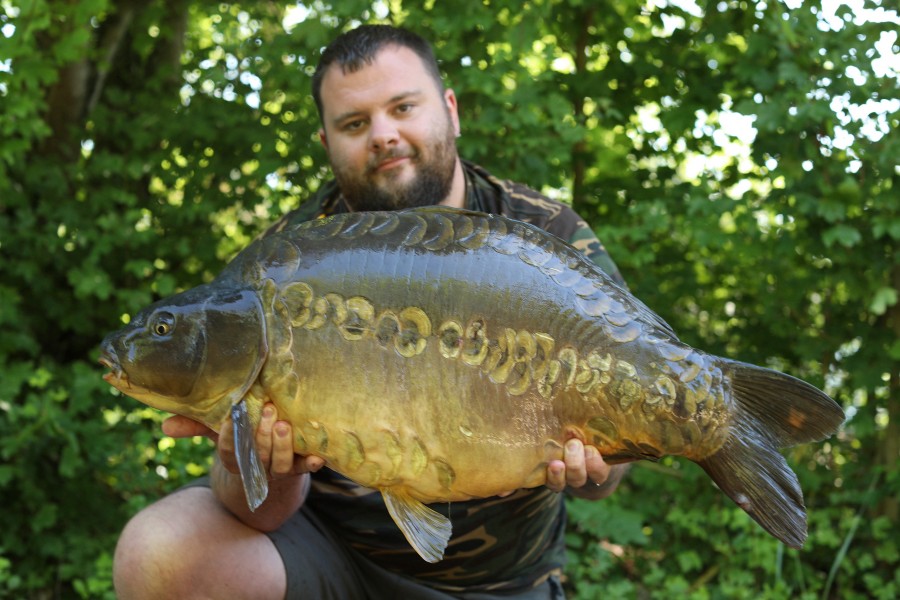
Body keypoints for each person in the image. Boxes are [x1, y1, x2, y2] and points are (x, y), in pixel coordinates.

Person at [113, 24, 630, 600]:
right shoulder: (280, 263)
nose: (383, 135)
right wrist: (263, 464)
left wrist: (603, 460)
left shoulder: (545, 238)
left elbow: (608, 484)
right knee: (159, 553)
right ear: (326, 139)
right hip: (335, 560)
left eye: (403, 107)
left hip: (500, 580)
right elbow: (256, 515)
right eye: (354, 124)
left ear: (450, 109)